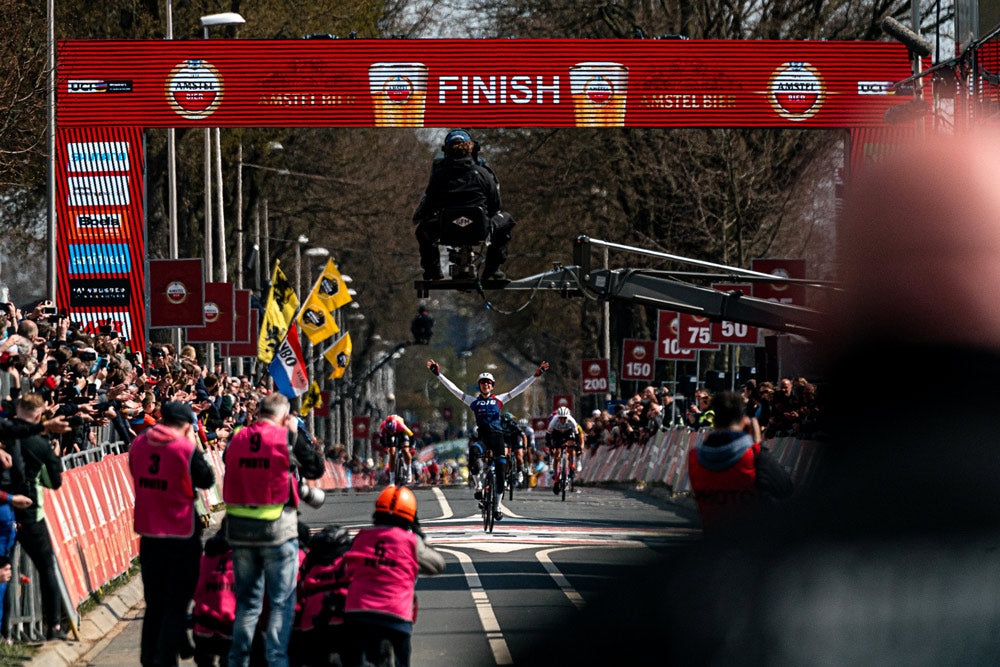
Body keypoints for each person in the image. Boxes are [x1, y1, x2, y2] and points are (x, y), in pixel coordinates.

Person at [223, 393, 325, 667]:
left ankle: (238, 660)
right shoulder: (285, 437)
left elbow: (226, 459)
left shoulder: (237, 436)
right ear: (283, 416)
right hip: (276, 529)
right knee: (281, 601)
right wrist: (294, 434)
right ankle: (276, 659)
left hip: (239, 529)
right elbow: (315, 468)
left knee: (246, 604)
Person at [129, 400, 216, 666]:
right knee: (177, 603)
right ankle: (167, 658)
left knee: (155, 603)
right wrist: (192, 443)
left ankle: (150, 657)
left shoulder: (139, 444)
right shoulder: (184, 448)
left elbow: (134, 471)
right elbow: (206, 480)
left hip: (149, 532)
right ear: (186, 425)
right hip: (180, 532)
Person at [427, 359, 548, 519]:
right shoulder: (473, 401)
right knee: (474, 452)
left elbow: (520, 389)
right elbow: (453, 389)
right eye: (482, 383)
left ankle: (497, 506)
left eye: (488, 383)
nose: (485, 385)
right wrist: (438, 374)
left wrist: (536, 375)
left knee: (500, 473)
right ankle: (478, 486)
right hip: (483, 438)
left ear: (492, 386)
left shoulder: (499, 400)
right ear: (480, 386)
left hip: (498, 439)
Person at [343, 485, 445, 667]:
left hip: (357, 612)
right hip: (396, 615)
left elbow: (345, 568)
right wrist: (420, 536)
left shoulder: (361, 537)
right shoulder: (411, 541)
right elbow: (437, 565)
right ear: (410, 519)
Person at [413, 129, 516, 280]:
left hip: (446, 230)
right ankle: (492, 271)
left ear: (446, 150)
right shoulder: (484, 174)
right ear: (471, 148)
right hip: (480, 229)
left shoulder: (439, 176)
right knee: (506, 220)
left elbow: (428, 206)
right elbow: (495, 206)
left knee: (422, 230)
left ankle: (433, 271)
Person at [9, 393, 71, 641]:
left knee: (4, 569)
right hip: (31, 514)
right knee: (47, 568)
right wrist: (52, 455)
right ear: (38, 415)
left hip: (5, 508)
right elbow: (55, 482)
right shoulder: (39, 443)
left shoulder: (7, 433)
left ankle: (6, 631)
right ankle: (53, 626)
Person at [686, 391, 793, 535]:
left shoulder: (695, 458)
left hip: (713, 542)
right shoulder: (753, 455)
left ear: (715, 422)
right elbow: (785, 487)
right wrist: (757, 443)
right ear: (743, 420)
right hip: (749, 540)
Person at [291, 525, 353, 667]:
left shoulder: (308, 562)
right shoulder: (348, 560)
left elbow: (301, 592)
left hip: (311, 622)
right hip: (342, 618)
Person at [191, 533, 235, 667]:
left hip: (204, 628)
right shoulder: (239, 563)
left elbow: (194, 593)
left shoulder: (202, 563)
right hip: (230, 629)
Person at [545, 406, 584, 494]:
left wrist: (577, 446)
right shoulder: (554, 420)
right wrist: (550, 445)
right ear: (558, 417)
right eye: (561, 418)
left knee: (571, 447)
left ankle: (571, 467)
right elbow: (548, 434)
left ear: (567, 417)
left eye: (564, 418)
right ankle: (556, 478)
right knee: (557, 454)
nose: (562, 420)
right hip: (557, 433)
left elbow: (577, 435)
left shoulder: (571, 420)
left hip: (568, 432)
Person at [377, 415, 414, 485]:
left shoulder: (400, 425)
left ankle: (409, 471)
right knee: (392, 453)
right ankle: (392, 480)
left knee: (405, 450)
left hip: (401, 433)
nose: (392, 432)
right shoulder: (383, 427)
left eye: (393, 431)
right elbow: (381, 439)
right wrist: (385, 447)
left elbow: (411, 435)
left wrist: (412, 447)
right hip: (389, 436)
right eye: (390, 431)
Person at [499, 412, 526, 486]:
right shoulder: (499, 424)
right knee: (505, 455)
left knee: (519, 456)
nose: (505, 424)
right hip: (506, 440)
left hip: (515, 439)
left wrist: (524, 447)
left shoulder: (515, 425)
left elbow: (523, 436)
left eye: (507, 422)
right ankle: (506, 475)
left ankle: (519, 471)